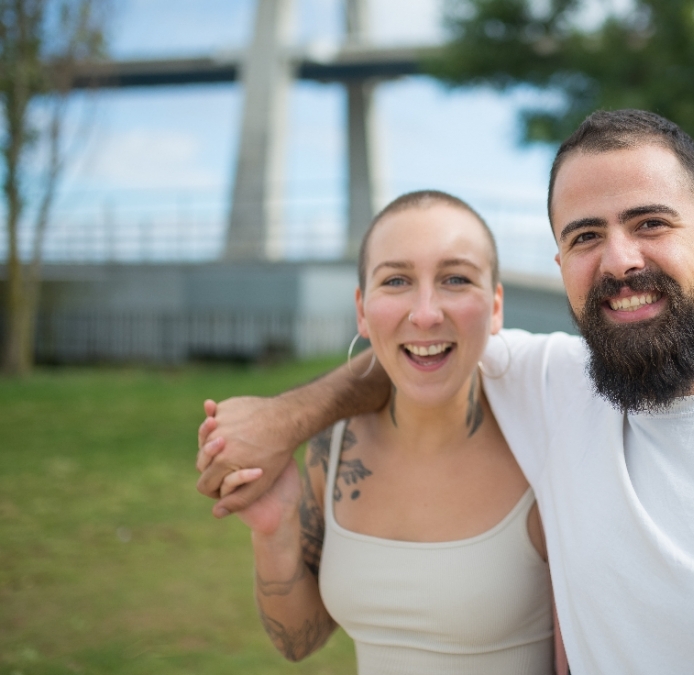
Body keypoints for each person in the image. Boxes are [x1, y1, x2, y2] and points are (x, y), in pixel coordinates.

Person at [198, 110, 694, 675]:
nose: (620, 259)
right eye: (586, 236)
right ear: (561, 269)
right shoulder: (558, 390)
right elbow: (419, 343)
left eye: (651, 222)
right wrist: (280, 419)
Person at [218, 190, 563, 674]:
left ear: (496, 306)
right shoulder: (333, 449)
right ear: (362, 308)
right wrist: (275, 533)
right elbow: (300, 640)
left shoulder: (542, 451)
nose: (425, 313)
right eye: (396, 280)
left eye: (456, 279)